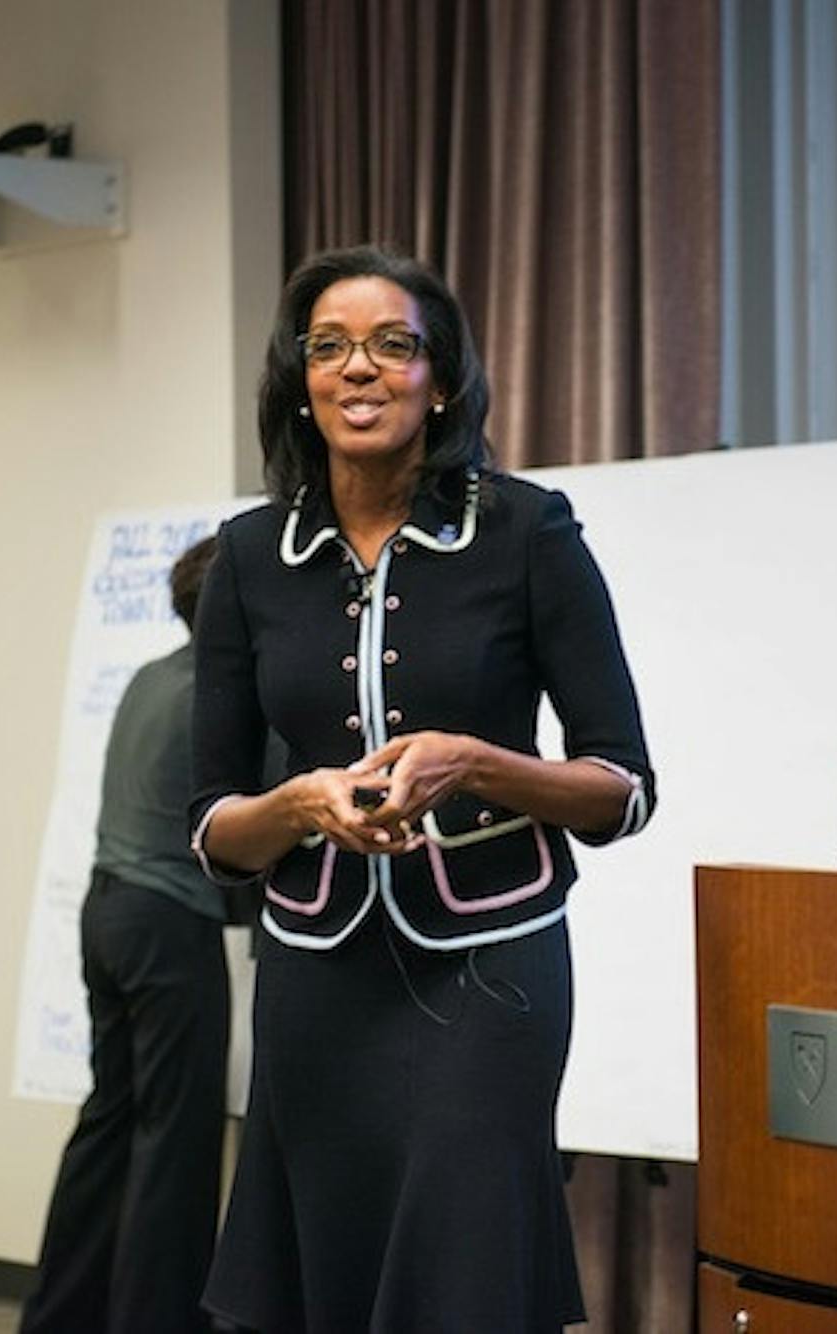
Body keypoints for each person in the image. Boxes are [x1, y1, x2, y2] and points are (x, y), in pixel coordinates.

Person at [188, 245, 656, 1332]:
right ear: (298, 384)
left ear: (438, 380)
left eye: (393, 345)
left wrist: (477, 763)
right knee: (328, 1269)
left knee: (462, 1268)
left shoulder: (527, 531)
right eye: (329, 347)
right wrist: (298, 804)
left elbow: (623, 787)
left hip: (490, 969)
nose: (360, 367)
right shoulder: (251, 558)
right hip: (312, 974)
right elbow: (212, 825)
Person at [22, 535, 231, 1334]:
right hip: (167, 924)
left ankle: (60, 1316)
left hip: (104, 915)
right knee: (173, 1140)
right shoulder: (221, 694)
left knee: (110, 1121)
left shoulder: (148, 678)